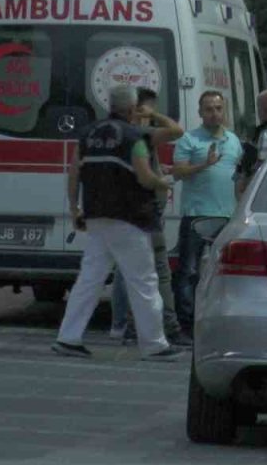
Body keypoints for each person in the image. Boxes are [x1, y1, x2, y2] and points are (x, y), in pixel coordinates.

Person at [53, 85, 185, 361]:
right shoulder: (135, 137)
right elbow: (144, 176)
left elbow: (74, 172)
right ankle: (155, 345)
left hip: (96, 216)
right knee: (145, 281)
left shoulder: (87, 135)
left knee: (90, 279)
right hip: (129, 218)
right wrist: (164, 182)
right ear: (132, 108)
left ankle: (68, 337)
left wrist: (74, 208)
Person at [109, 88, 188, 346]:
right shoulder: (139, 135)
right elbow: (177, 131)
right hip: (144, 211)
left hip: (124, 212)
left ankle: (131, 327)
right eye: (146, 110)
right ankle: (166, 326)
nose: (150, 117)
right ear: (135, 110)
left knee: (132, 272)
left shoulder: (111, 133)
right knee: (157, 273)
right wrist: (154, 115)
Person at [171, 91, 244, 337]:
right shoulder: (189, 140)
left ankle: (218, 324)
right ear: (200, 112)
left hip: (228, 217)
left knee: (224, 272)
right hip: (197, 215)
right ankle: (186, 326)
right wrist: (205, 164)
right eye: (209, 109)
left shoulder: (234, 141)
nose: (215, 113)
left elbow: (240, 176)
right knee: (189, 272)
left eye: (218, 108)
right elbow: (178, 172)